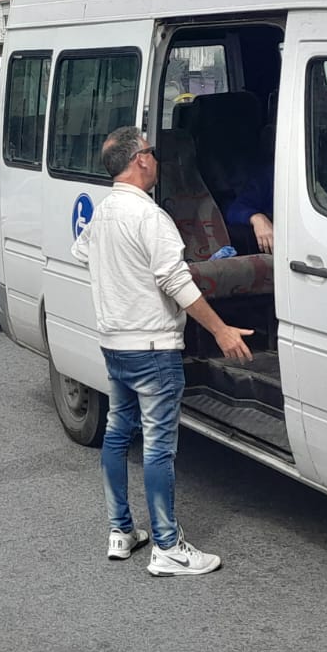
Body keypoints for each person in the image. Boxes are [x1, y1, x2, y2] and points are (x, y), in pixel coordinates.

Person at [71, 125, 254, 577]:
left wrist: (122, 279)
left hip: (115, 344)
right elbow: (176, 281)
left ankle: (121, 531)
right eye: (151, 151)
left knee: (117, 433)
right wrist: (221, 331)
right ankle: (168, 546)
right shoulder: (150, 217)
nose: (155, 158)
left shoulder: (104, 212)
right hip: (153, 347)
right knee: (157, 447)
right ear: (140, 160)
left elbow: (82, 253)